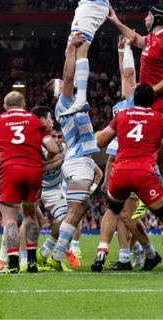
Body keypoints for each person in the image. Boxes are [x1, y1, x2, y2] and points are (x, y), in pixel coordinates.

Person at [107, 5, 163, 220]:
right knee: (157, 151)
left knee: (159, 148)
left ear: (156, 18)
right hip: (152, 102)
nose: (144, 18)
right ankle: (159, 197)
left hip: (162, 101)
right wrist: (116, 22)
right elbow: (135, 38)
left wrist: (149, 90)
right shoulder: (152, 39)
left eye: (147, 15)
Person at [96, 85, 163, 273]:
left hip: (120, 173)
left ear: (134, 99)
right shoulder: (160, 118)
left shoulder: (121, 116)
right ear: (152, 101)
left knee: (115, 210)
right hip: (144, 175)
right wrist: (161, 140)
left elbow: (100, 142)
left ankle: (105, 251)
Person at [0, 90, 59, 274]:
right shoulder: (35, 120)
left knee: (10, 219)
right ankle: (32, 262)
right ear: (24, 105)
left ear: (5, 106)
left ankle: (12, 263)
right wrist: (45, 158)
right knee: (31, 215)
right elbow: (53, 147)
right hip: (33, 170)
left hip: (9, 169)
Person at [92, 37, 152, 273]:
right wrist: (121, 49)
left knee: (124, 213)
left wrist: (124, 49)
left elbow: (128, 75)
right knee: (125, 213)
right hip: (133, 162)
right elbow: (125, 75)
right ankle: (133, 252)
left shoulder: (124, 110)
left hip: (129, 162)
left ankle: (135, 252)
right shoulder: (127, 107)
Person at [44, 33, 101, 271]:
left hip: (82, 160)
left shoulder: (73, 101)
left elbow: (73, 76)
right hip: (77, 160)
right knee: (76, 210)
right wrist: (70, 48)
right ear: (57, 93)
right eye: (62, 86)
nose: (66, 83)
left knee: (79, 209)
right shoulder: (64, 103)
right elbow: (68, 75)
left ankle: (48, 252)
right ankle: (54, 255)